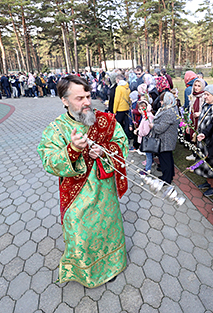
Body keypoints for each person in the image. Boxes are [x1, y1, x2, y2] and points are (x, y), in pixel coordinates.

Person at [37, 75, 128, 288]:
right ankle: (86, 273)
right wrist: (73, 150)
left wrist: (106, 152)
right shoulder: (56, 129)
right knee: (81, 235)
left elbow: (121, 144)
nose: (87, 102)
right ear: (64, 100)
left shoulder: (105, 120)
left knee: (108, 230)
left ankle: (112, 266)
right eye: (79, 98)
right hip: (77, 197)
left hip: (105, 194)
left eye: (88, 96)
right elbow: (48, 161)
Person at [194, 85, 213, 195]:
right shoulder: (206, 105)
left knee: (211, 163)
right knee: (204, 161)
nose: (204, 96)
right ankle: (208, 181)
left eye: (207, 94)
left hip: (210, 140)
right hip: (202, 138)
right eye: (204, 94)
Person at [149, 92, 180, 184]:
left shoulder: (169, 112)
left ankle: (166, 179)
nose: (161, 103)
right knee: (167, 158)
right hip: (166, 139)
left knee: (165, 159)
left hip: (166, 140)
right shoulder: (171, 108)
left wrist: (153, 126)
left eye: (162, 101)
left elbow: (160, 128)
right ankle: (169, 175)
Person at [186, 77, 206, 161]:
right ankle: (194, 154)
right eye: (195, 85)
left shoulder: (204, 97)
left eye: (199, 86)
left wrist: (199, 113)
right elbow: (190, 109)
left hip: (200, 120)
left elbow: (207, 111)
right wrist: (188, 124)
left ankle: (201, 155)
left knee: (199, 137)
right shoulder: (192, 96)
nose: (196, 88)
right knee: (193, 136)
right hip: (193, 119)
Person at [135, 100, 155, 174]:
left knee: (148, 155)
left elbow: (146, 131)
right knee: (149, 154)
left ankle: (147, 169)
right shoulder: (146, 115)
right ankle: (150, 163)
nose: (140, 111)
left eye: (141, 109)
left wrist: (138, 132)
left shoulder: (147, 117)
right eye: (139, 109)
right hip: (148, 139)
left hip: (147, 140)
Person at [113, 73, 131, 141]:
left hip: (120, 108)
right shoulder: (127, 87)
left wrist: (114, 110)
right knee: (126, 123)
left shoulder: (119, 88)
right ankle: (127, 137)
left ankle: (119, 137)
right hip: (126, 108)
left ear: (118, 80)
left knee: (118, 124)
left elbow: (117, 100)